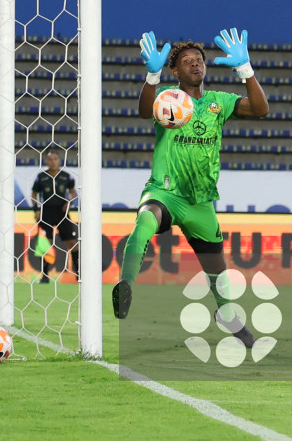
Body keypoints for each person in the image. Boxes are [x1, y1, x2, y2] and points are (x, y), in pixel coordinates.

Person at [111, 28, 268, 349]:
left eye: (199, 60)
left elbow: (261, 109)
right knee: (145, 220)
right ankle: (125, 286)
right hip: (165, 192)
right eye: (187, 61)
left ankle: (226, 313)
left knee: (217, 271)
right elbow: (144, 111)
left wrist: (246, 70)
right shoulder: (168, 98)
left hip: (201, 202)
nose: (195, 64)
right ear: (175, 71)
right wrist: (152, 77)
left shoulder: (219, 102)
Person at [31, 149, 78, 283]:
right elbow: (34, 195)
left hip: (62, 212)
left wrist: (69, 203)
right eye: (50, 159)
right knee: (46, 243)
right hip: (46, 211)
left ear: (59, 161)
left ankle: (79, 273)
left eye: (55, 159)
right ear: (46, 161)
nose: (53, 162)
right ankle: (45, 276)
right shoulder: (41, 177)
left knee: (72, 242)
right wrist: (36, 210)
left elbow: (73, 192)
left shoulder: (66, 177)